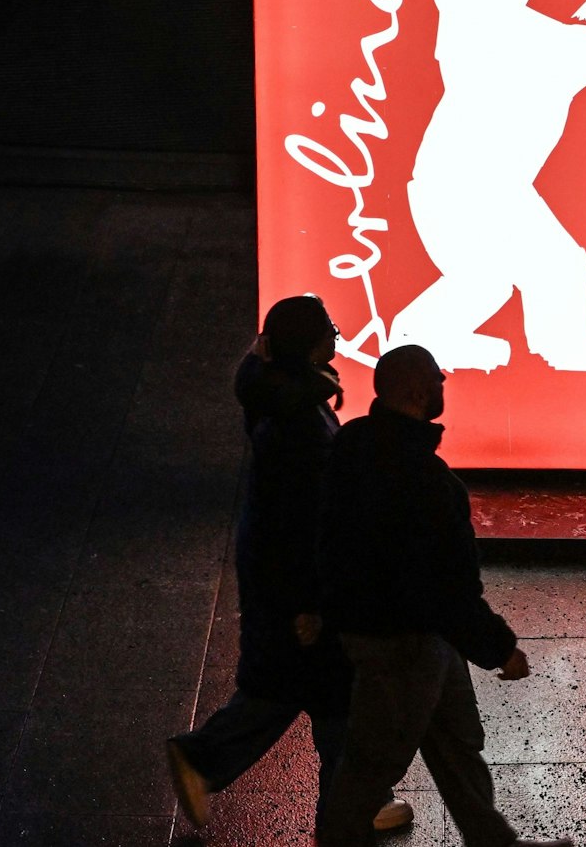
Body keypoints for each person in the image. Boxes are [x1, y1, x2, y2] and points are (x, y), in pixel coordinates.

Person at [165, 296, 412, 833]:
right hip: (296, 585)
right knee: (324, 693)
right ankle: (350, 805)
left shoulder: (276, 393)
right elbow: (306, 523)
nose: (337, 336)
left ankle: (211, 760)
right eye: (328, 329)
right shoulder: (301, 423)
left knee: (292, 691)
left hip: (276, 578)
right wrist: (313, 603)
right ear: (306, 344)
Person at [314, 345, 571, 847]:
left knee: (454, 744)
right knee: (373, 764)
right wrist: (500, 648)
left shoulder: (353, 444)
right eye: (438, 377)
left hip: (398, 634)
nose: (443, 382)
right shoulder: (430, 483)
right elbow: (450, 587)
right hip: (403, 643)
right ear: (416, 390)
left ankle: (493, 841)